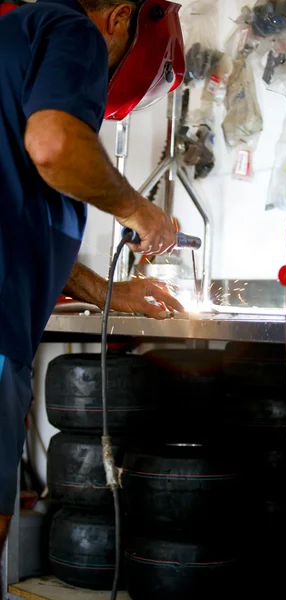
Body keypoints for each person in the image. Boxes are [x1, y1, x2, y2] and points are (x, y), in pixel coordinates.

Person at [0, 0, 185, 571]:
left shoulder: (12, 38)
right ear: (121, 19)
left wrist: (107, 292)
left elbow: (15, 218)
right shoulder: (72, 30)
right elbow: (54, 145)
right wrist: (141, 213)